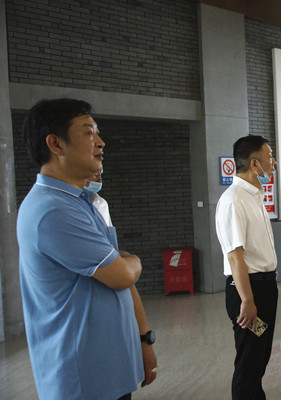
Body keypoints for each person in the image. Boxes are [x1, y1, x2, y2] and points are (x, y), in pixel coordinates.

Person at [17, 98, 157, 400]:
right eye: (88, 133)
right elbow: (121, 275)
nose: (100, 142)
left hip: (105, 370)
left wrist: (143, 339)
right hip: (83, 379)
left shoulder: (80, 203)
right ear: (56, 144)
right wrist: (134, 260)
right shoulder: (54, 209)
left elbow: (119, 276)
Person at [215, 135, 279, 400]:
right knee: (249, 362)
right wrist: (247, 301)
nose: (274, 163)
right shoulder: (234, 200)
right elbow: (235, 257)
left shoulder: (253, 196)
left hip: (264, 287)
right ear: (254, 164)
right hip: (248, 290)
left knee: (259, 357)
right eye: (269, 158)